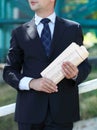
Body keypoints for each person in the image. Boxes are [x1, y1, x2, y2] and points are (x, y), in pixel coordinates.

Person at [3, 0, 91, 130]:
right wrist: (32, 83)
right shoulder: (19, 33)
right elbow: (9, 71)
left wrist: (75, 73)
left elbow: (85, 66)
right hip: (29, 113)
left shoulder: (73, 29)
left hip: (62, 113)